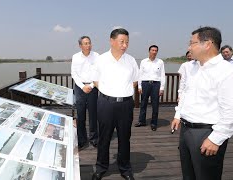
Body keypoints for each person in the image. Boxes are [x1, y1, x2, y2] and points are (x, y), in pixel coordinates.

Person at [171, 26, 233, 180]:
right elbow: (185, 96)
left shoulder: (227, 72)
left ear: (207, 44)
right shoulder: (194, 69)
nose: (189, 47)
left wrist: (215, 139)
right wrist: (178, 115)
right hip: (186, 130)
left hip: (206, 134)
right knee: (188, 175)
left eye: (192, 43)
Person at [91, 28, 139, 180]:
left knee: (125, 137)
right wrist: (109, 91)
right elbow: (95, 80)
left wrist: (122, 92)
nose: (125, 45)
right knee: (104, 137)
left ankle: (125, 168)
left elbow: (135, 81)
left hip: (125, 104)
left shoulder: (131, 60)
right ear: (111, 41)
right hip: (106, 103)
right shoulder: (101, 59)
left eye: (127, 42)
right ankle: (101, 167)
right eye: (121, 41)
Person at [71, 36, 99, 150]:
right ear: (80, 45)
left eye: (89, 43)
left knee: (93, 115)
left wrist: (91, 85)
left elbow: (99, 73)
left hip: (93, 87)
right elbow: (74, 74)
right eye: (85, 43)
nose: (88, 45)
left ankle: (94, 139)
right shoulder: (75, 57)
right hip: (80, 88)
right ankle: (82, 139)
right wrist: (83, 87)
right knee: (80, 115)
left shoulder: (97, 56)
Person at [135, 45, 165, 131]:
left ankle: (154, 123)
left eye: (156, 50)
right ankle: (142, 121)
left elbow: (162, 75)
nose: (154, 52)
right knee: (143, 103)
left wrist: (162, 88)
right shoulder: (143, 61)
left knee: (155, 105)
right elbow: (140, 74)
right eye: (153, 50)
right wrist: (140, 86)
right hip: (145, 84)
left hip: (156, 85)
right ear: (149, 51)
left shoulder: (160, 62)